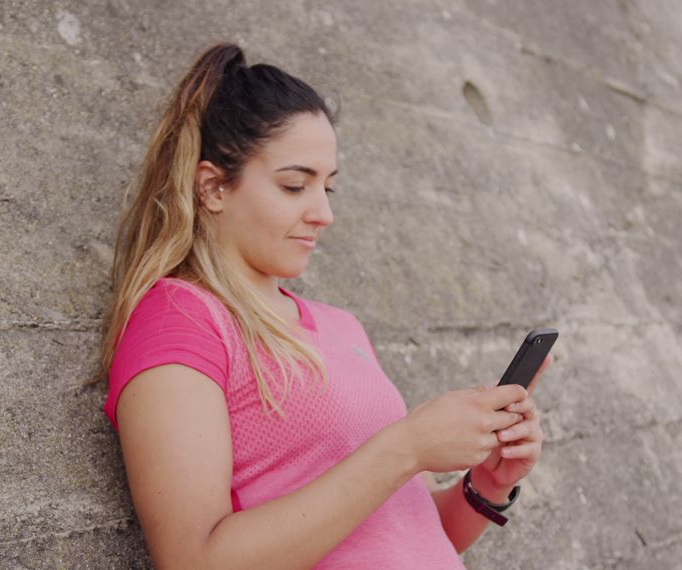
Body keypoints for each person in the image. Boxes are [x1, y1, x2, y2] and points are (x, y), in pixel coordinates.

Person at [99, 42, 548, 569]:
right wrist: (406, 447)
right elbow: (194, 560)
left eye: (329, 187)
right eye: (295, 186)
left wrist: (487, 485)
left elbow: (411, 534)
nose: (324, 213)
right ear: (213, 187)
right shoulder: (180, 320)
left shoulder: (343, 328)